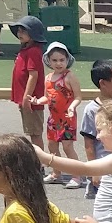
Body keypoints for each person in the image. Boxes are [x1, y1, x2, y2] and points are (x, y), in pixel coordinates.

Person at [78, 58, 112, 200]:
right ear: (103, 83)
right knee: (106, 202)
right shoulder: (91, 109)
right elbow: (89, 143)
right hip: (104, 166)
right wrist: (95, 171)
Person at [39, 42, 81, 187]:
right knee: (52, 146)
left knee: (68, 146)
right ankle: (56, 172)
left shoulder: (69, 77)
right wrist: (37, 101)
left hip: (68, 119)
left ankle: (76, 175)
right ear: (49, 61)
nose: (58, 63)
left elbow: (78, 97)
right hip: (53, 119)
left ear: (67, 60)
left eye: (62, 60)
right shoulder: (48, 78)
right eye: (55, 60)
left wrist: (72, 107)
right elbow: (47, 97)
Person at [7, 15, 47, 149]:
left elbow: (33, 75)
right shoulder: (25, 50)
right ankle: (38, 162)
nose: (20, 34)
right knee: (32, 132)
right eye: (19, 31)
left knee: (35, 134)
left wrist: (26, 97)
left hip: (31, 100)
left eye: (24, 31)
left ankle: (40, 163)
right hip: (27, 99)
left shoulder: (34, 51)